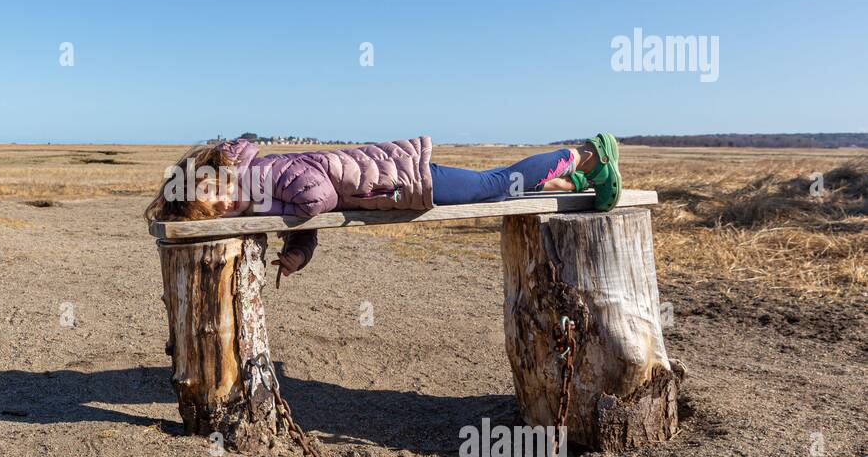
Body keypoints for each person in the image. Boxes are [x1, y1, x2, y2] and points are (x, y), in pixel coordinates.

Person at [144, 133, 621, 277]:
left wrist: (287, 217)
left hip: (403, 178)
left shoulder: (261, 176)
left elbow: (317, 197)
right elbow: (309, 218)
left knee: (494, 184)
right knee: (499, 185)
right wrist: (298, 252)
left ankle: (582, 154)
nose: (223, 211)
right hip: (392, 185)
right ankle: (571, 177)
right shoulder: (257, 193)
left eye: (213, 201)